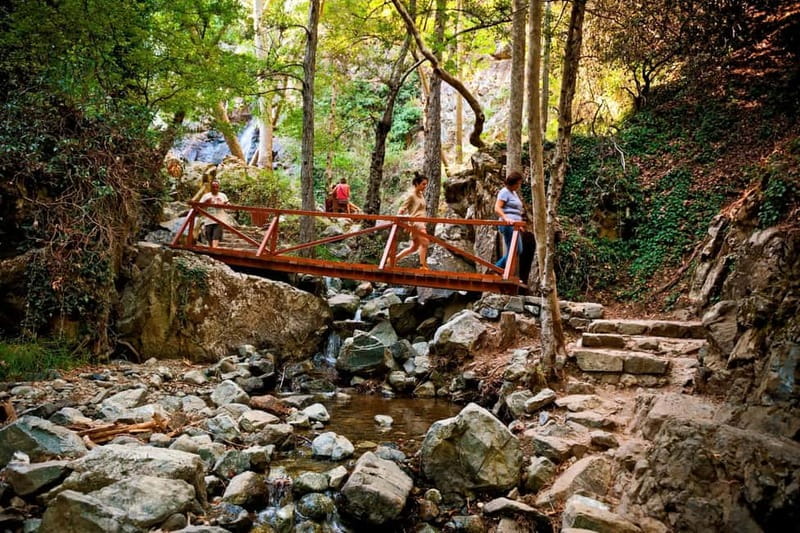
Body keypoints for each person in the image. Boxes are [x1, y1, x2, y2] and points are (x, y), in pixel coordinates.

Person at [395, 173, 430, 269]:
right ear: (417, 184)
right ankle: (422, 266)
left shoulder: (421, 194)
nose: (425, 186)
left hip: (420, 222)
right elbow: (403, 208)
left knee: (414, 247)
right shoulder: (411, 196)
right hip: (417, 223)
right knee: (425, 242)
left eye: (426, 184)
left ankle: (394, 259)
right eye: (423, 184)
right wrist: (398, 218)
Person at [494, 171, 525, 270]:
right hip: (508, 225)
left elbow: (516, 210)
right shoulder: (504, 192)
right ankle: (497, 269)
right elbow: (497, 208)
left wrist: (519, 225)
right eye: (518, 183)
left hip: (515, 226)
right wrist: (506, 218)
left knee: (518, 250)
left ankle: (497, 269)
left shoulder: (514, 193)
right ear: (513, 182)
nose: (519, 185)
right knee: (513, 250)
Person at [198, 180, 230, 248]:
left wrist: (222, 204)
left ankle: (214, 250)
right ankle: (212, 253)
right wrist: (206, 203)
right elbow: (198, 206)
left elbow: (229, 205)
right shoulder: (206, 196)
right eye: (213, 187)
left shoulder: (223, 196)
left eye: (217, 187)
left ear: (219, 187)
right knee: (209, 239)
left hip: (219, 220)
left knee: (216, 237)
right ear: (211, 187)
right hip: (208, 220)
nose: (215, 189)